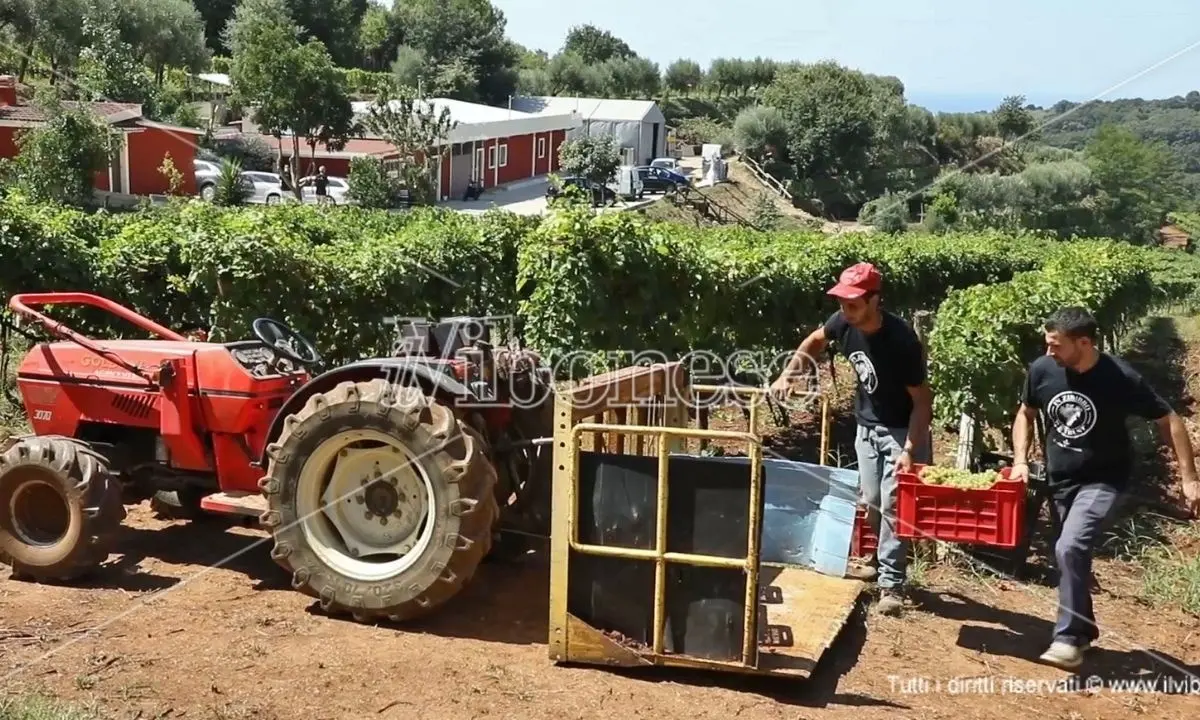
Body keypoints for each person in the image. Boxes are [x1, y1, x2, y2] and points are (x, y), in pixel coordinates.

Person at [1011, 306, 1200, 670]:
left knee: (1070, 546)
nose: (1049, 352)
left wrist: (1189, 478)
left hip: (1103, 480)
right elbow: (1026, 413)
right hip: (1060, 481)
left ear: (1084, 342)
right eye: (1047, 344)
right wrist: (1021, 458)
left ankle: (1066, 639)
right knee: (1070, 554)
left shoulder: (1119, 377)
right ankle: (1083, 632)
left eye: (1056, 345)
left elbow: (1169, 419)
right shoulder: (1043, 370)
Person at [771, 262, 933, 616]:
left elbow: (923, 402)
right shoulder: (843, 321)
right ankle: (880, 559)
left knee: (893, 505)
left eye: (855, 303)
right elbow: (815, 340)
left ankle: (892, 584)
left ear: (876, 300)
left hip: (901, 430)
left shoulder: (901, 342)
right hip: (866, 425)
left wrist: (909, 450)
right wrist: (789, 375)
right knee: (872, 499)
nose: (846, 309)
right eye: (842, 302)